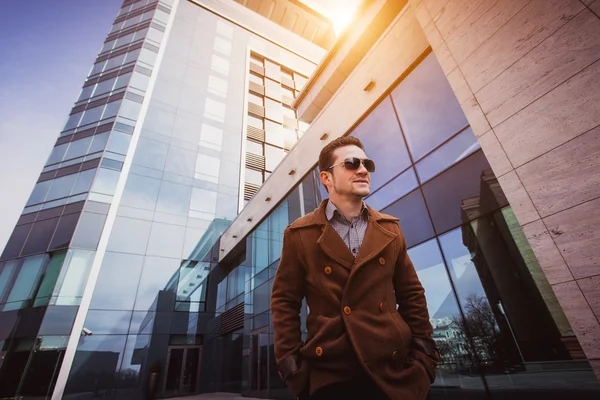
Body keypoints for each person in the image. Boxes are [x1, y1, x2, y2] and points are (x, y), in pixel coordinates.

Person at [271, 136, 439, 399]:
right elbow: (284, 301)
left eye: (366, 164)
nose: (363, 170)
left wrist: (424, 357)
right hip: (332, 377)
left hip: (397, 373)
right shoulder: (299, 234)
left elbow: (412, 295)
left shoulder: (390, 229)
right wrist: (292, 367)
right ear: (326, 178)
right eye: (351, 163)